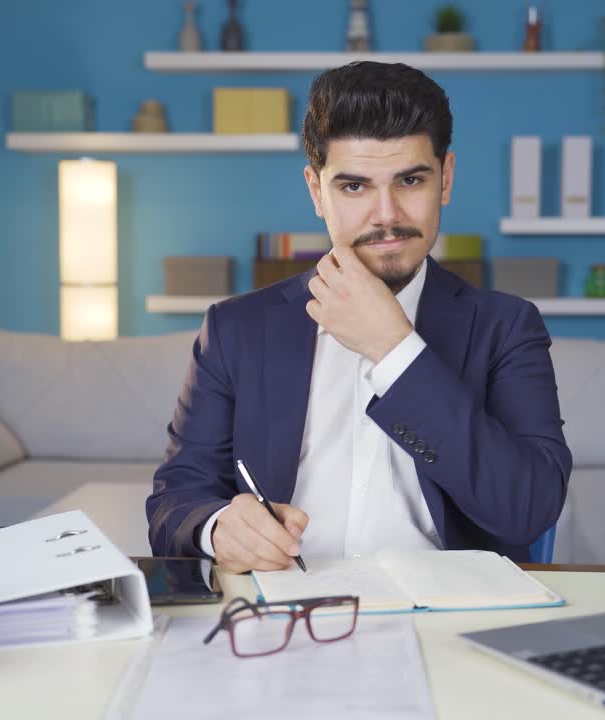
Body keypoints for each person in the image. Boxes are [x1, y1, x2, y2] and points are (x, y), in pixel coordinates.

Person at [147, 61, 572, 574]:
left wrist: (396, 349)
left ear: (446, 180)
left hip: (449, 618)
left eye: (410, 180)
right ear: (315, 190)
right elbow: (176, 500)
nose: (387, 215)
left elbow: (528, 509)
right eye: (354, 187)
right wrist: (218, 528)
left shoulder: (507, 327)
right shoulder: (236, 330)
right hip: (285, 612)